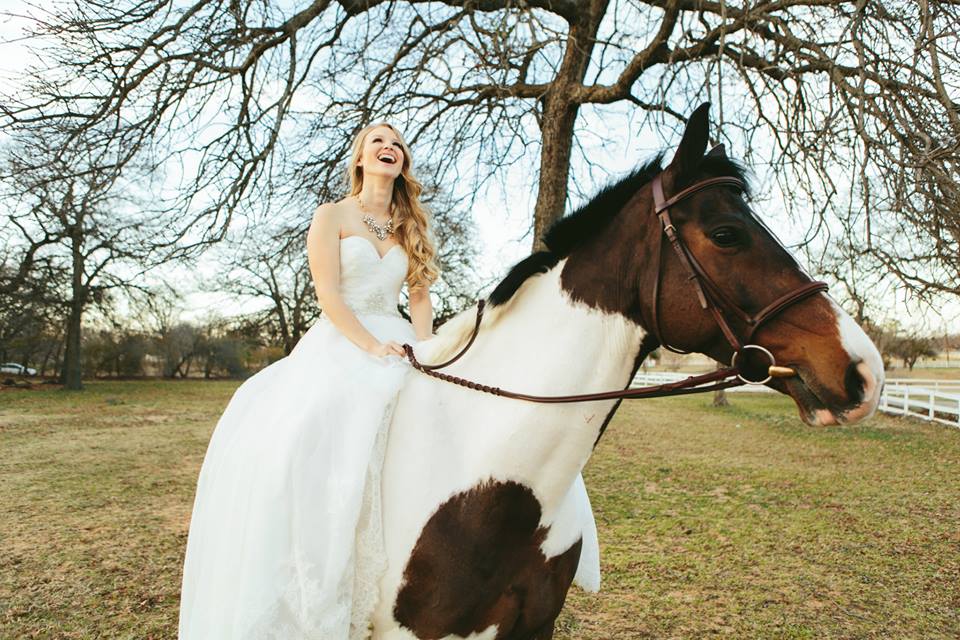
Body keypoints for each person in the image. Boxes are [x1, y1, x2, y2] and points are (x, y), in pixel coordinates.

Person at [178, 123, 438, 640]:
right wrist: (370, 346)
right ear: (360, 158)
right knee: (322, 424)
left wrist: (427, 351)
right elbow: (329, 296)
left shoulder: (410, 224)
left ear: (403, 162)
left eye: (397, 144)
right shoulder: (331, 216)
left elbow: (420, 297)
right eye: (377, 141)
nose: (388, 147)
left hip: (400, 337)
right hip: (344, 338)